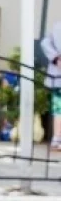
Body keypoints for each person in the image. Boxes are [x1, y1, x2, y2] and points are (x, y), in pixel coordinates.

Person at [39, 20, 61, 150]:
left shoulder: (57, 26)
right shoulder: (58, 26)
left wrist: (56, 58)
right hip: (58, 76)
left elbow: (45, 43)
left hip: (57, 75)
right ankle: (57, 138)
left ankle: (57, 138)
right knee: (58, 108)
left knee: (58, 108)